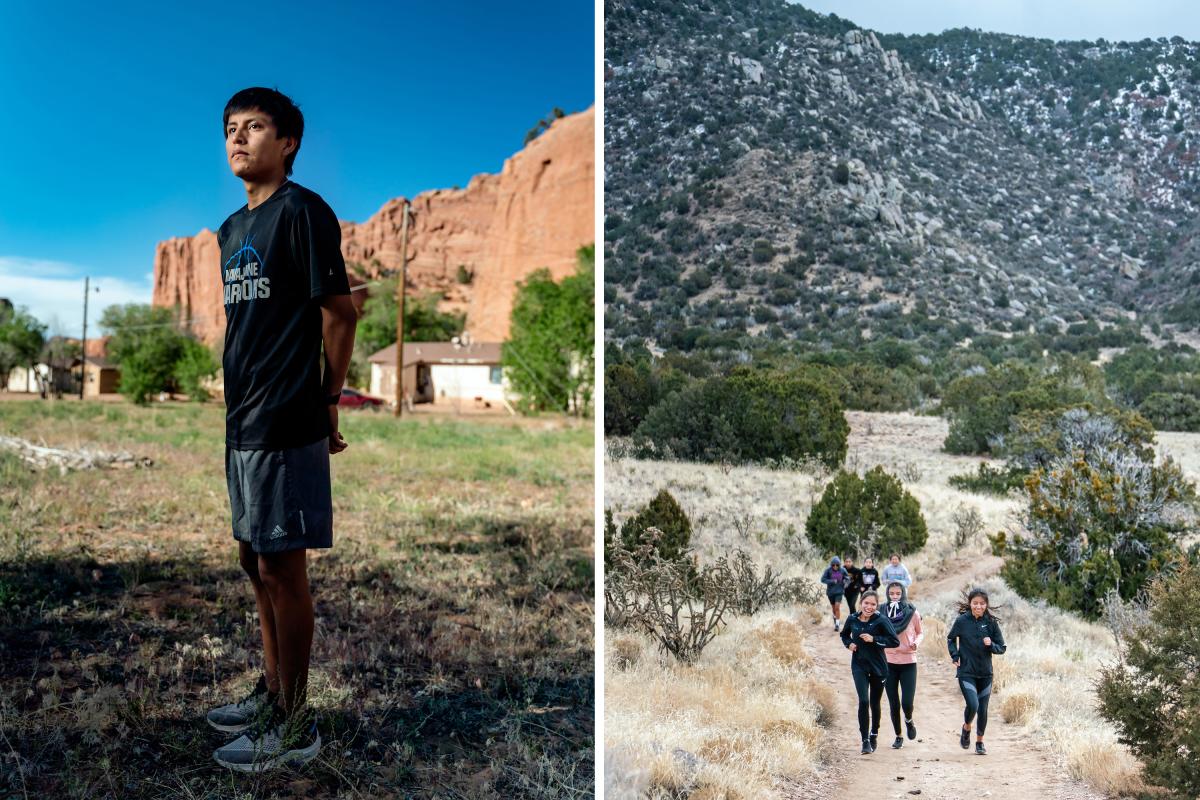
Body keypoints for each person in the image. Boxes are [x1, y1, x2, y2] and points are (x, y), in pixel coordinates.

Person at [205, 87, 358, 772]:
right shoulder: (230, 231)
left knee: (280, 565)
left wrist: (327, 401)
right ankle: (272, 696)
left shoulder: (303, 212)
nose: (240, 139)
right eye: (231, 129)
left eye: (256, 127)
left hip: (288, 416)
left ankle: (294, 727)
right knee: (251, 558)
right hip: (243, 419)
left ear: (288, 142)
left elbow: (340, 313)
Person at [947, 589, 1007, 756]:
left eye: (982, 603)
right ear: (970, 603)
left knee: (983, 709)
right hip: (966, 671)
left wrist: (991, 645)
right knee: (973, 705)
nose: (978, 606)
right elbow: (951, 638)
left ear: (986, 604)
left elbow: (1001, 648)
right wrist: (955, 655)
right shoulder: (961, 621)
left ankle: (979, 742)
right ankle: (966, 728)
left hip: (986, 673)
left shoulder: (991, 623)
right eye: (975, 603)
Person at [841, 591, 900, 754]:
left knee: (874, 703)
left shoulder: (881, 620)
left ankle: (874, 733)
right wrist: (849, 644)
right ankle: (865, 740)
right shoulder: (852, 618)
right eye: (866, 603)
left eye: (873, 604)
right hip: (859, 665)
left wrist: (874, 639)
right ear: (861, 603)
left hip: (878, 668)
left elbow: (894, 641)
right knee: (864, 701)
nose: (869, 607)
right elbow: (844, 634)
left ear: (877, 606)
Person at [882, 581, 923, 748]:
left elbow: (920, 632)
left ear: (903, 594)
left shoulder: (912, 612)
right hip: (888, 663)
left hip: (908, 662)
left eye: (898, 594)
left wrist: (916, 643)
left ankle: (909, 720)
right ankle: (898, 736)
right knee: (893, 703)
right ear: (887, 594)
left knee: (907, 703)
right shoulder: (882, 612)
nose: (894, 596)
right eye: (891, 594)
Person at [820, 557, 849, 631]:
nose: (835, 566)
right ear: (831, 565)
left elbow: (847, 578)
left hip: (839, 592)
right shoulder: (828, 570)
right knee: (833, 609)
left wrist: (846, 583)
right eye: (833, 565)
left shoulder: (843, 570)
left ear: (839, 565)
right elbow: (822, 579)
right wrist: (832, 581)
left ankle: (837, 624)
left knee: (837, 607)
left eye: (837, 565)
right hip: (831, 592)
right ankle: (835, 618)